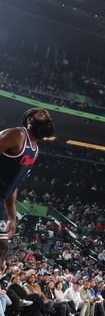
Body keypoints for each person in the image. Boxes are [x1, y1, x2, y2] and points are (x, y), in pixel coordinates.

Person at [0, 108, 54, 275]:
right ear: (29, 119)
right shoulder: (17, 135)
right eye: (42, 114)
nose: (47, 117)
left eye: (49, 117)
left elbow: (13, 184)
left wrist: (12, 216)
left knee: (2, 249)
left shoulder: (35, 150)